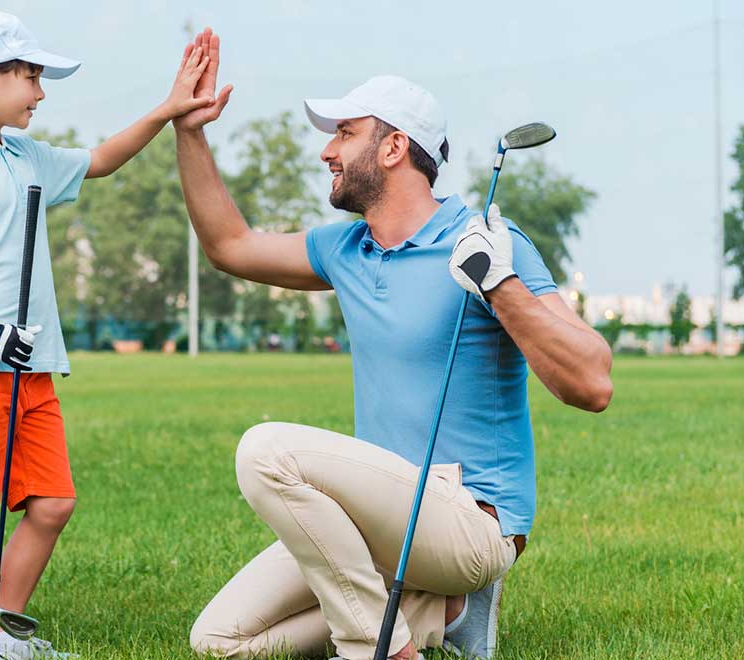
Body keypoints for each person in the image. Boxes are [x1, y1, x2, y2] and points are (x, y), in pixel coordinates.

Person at [175, 29, 613, 660]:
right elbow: (229, 246)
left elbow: (592, 382)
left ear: (393, 148)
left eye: (345, 132)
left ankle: (381, 649)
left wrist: (500, 282)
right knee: (218, 640)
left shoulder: (489, 238)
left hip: (471, 519)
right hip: (384, 520)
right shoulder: (343, 249)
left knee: (266, 451)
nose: (327, 150)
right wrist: (190, 131)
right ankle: (440, 612)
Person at [0, 10, 214, 660]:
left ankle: (3, 627)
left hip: (32, 366)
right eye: (32, 76)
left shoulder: (27, 155)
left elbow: (100, 160)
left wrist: (168, 109)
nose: (40, 92)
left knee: (53, 503)